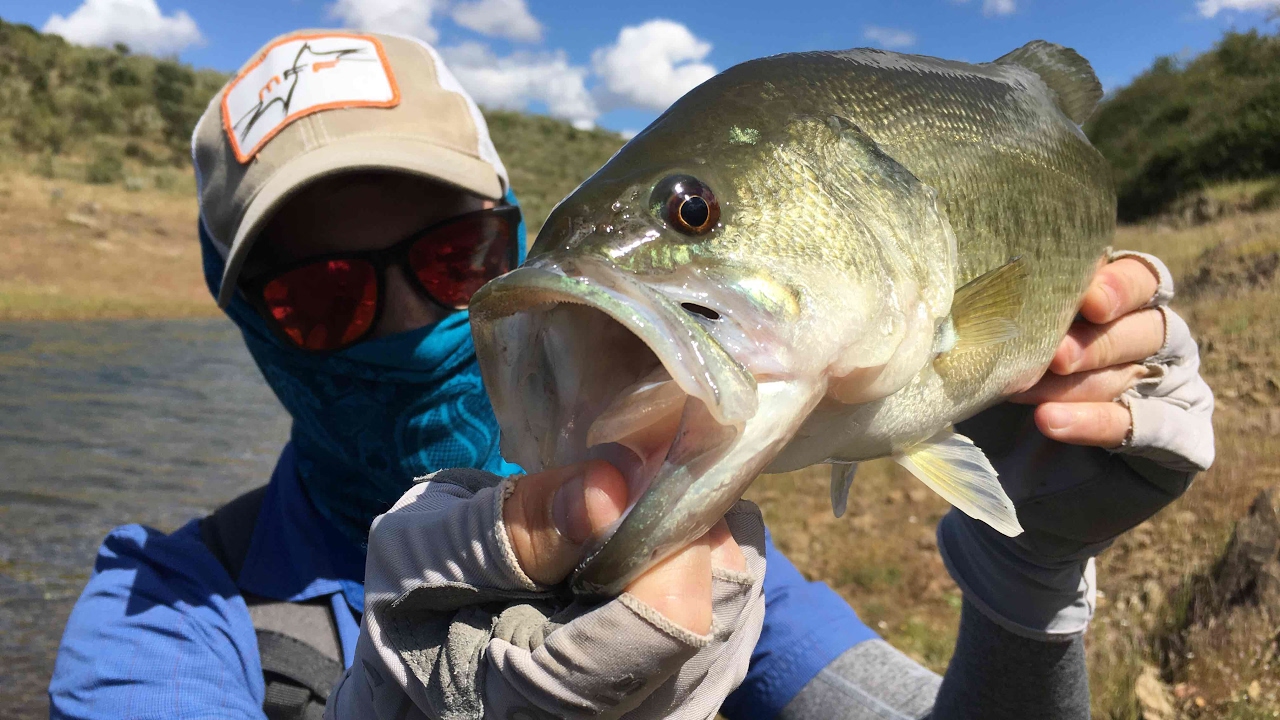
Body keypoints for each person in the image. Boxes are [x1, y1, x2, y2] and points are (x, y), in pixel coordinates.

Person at [47, 29, 1214, 720]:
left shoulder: (701, 551)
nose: (405, 321)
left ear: (515, 251)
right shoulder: (161, 622)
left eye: (451, 258)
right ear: (248, 321)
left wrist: (1027, 589)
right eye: (322, 295)